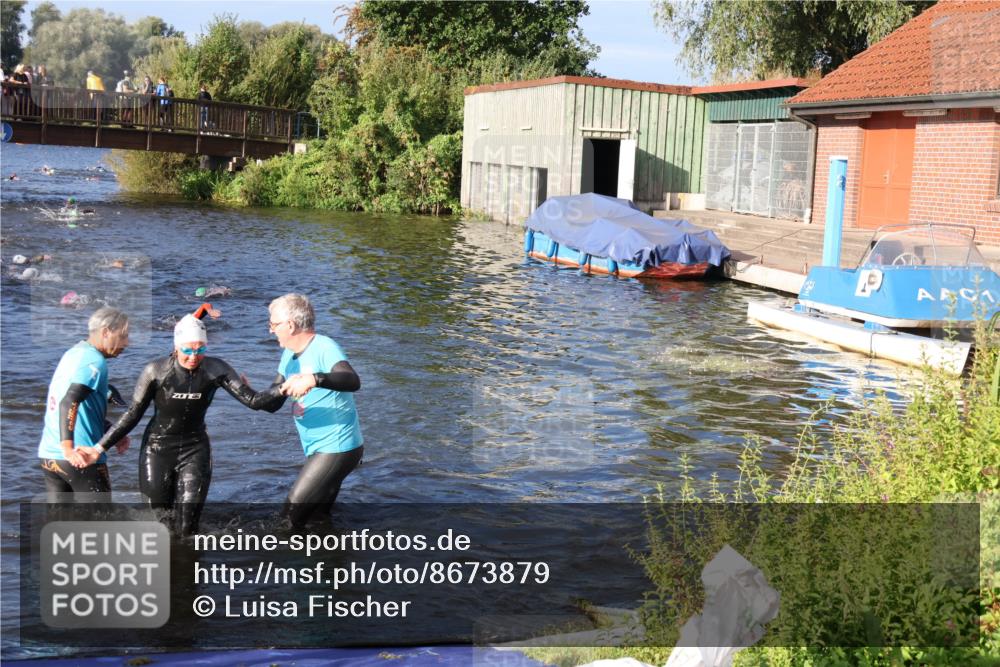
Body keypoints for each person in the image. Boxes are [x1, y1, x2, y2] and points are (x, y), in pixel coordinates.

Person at [80, 308, 283, 535]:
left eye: (200, 349)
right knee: (158, 524)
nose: (193, 356)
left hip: (195, 449)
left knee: (188, 528)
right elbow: (133, 414)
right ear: (176, 347)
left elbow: (254, 401)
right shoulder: (156, 371)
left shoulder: (216, 369)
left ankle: (190, 557)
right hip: (157, 449)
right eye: (187, 350)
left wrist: (285, 388)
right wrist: (98, 449)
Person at [258, 293, 364, 528]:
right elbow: (273, 403)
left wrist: (315, 379)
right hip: (317, 448)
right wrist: (247, 391)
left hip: (337, 447)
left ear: (290, 325)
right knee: (317, 520)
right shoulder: (289, 354)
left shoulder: (324, 347)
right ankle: (328, 552)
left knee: (289, 519)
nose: (271, 330)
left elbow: (352, 380)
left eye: (273, 324)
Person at [38, 307, 130, 501]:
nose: (126, 343)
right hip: (81, 457)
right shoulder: (95, 361)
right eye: (123, 336)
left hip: (50, 456)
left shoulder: (73, 353)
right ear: (106, 332)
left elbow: (81, 407)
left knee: (60, 519)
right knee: (101, 519)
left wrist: (109, 431)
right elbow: (69, 402)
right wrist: (68, 448)